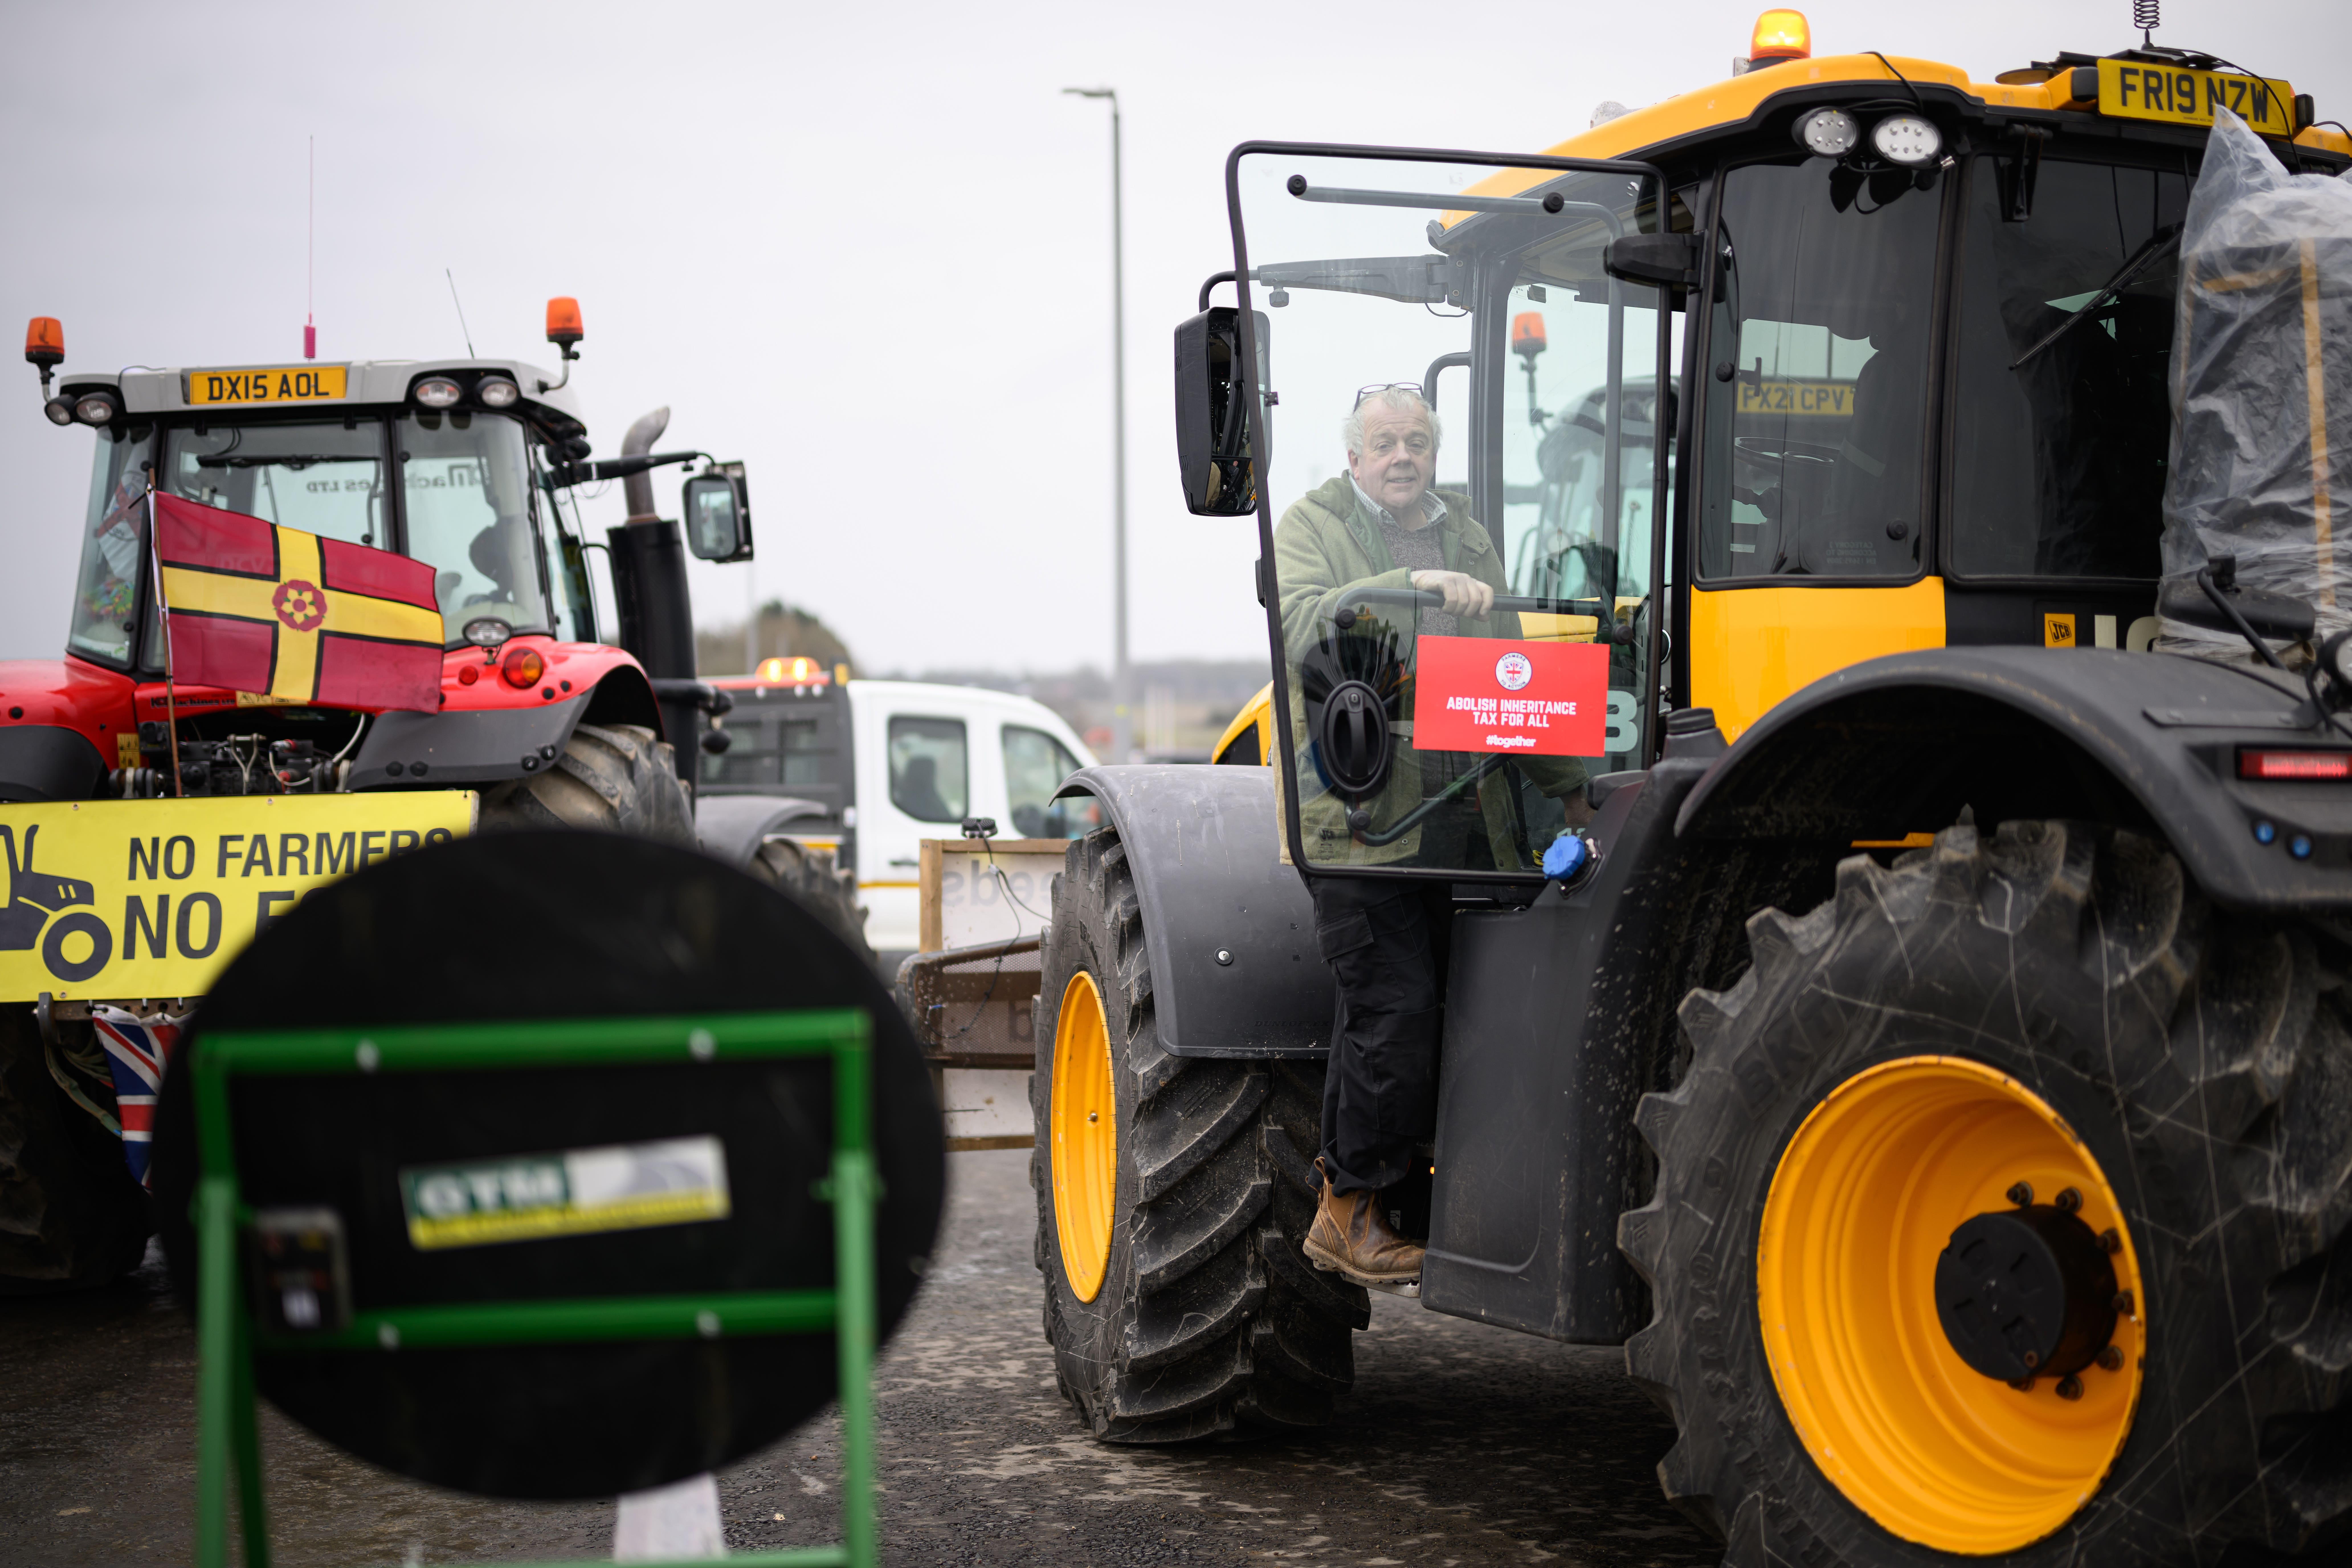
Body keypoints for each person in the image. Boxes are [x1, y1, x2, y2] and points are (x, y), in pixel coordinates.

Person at [1270, 385, 1593, 1289]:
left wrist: (1573, 793)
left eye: (1416, 440)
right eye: (1384, 443)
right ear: (1355, 457)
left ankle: (1407, 1207)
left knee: (1446, 1017)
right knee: (1393, 1013)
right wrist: (1405, 589)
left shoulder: (1469, 537)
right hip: (1362, 818)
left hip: (1462, 818)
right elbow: (1301, 628)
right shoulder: (1312, 526)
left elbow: (1511, 673)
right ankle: (1349, 1212)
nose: (1402, 455)